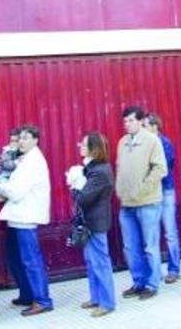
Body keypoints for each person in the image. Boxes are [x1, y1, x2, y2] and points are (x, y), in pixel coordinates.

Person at [0, 125, 54, 316]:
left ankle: (43, 300)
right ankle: (28, 295)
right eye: (19, 138)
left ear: (35, 140)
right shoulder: (27, 159)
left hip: (25, 217)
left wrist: (0, 186)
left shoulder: (33, 162)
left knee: (31, 260)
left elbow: (15, 190)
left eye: (25, 138)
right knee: (22, 259)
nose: (21, 141)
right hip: (19, 216)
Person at [115, 106, 168, 300]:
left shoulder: (152, 141)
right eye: (125, 121)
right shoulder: (122, 142)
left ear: (140, 121)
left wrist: (144, 187)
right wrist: (120, 189)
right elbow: (120, 169)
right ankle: (138, 282)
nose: (127, 124)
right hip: (127, 204)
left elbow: (161, 169)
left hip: (148, 202)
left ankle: (152, 284)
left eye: (131, 120)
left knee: (150, 246)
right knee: (130, 246)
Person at [68, 132, 116, 318]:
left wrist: (74, 184)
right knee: (91, 262)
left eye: (84, 144)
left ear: (94, 150)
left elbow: (83, 198)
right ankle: (96, 297)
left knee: (100, 262)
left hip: (96, 223)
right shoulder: (92, 168)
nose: (80, 145)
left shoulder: (100, 172)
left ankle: (107, 302)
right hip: (89, 222)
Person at [144, 113, 181, 284]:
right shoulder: (144, 144)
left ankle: (174, 269)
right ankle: (155, 272)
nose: (143, 128)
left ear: (154, 126)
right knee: (152, 234)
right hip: (151, 194)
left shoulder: (164, 143)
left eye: (145, 125)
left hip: (165, 192)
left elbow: (162, 168)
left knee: (170, 233)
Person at [0, 127, 21, 203]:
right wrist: (16, 163)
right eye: (12, 141)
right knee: (5, 184)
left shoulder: (22, 152)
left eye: (16, 141)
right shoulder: (7, 151)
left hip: (12, 178)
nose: (14, 143)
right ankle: (3, 196)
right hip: (4, 175)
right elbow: (8, 165)